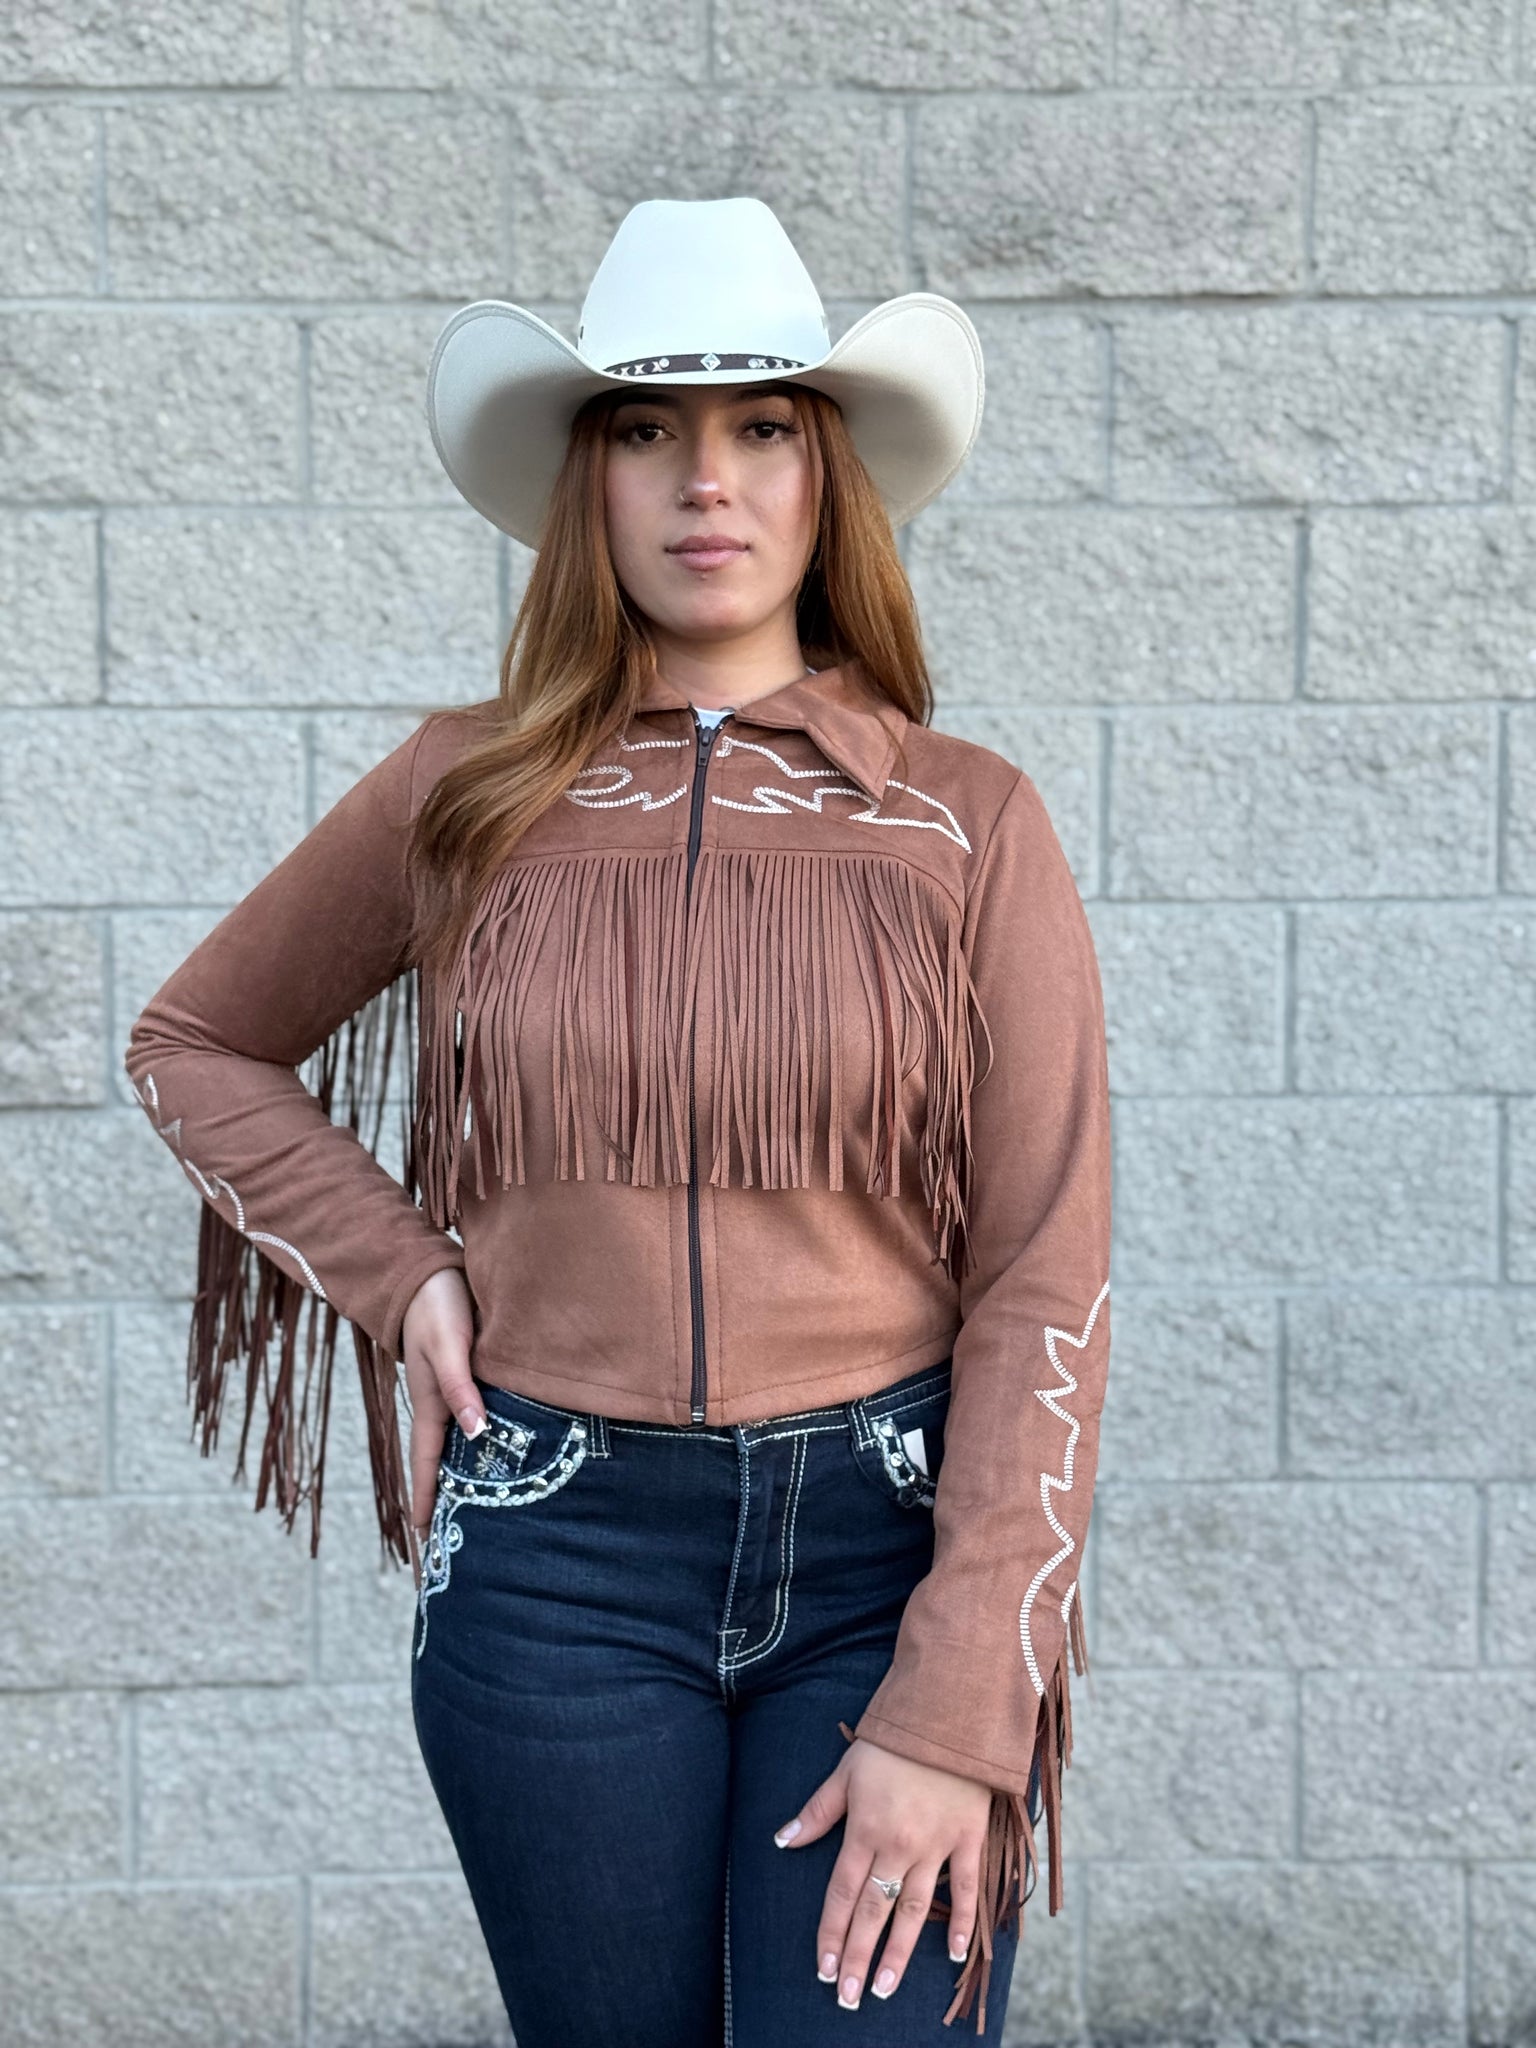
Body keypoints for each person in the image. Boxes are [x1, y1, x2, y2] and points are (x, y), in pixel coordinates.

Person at [124, 196, 1113, 2047]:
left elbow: (1045, 1280)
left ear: (828, 480)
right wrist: (402, 1270)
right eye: (647, 430)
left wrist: (965, 1693)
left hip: (885, 1555)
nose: (704, 481)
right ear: (589, 481)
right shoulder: (464, 790)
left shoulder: (967, 820)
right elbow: (198, 1043)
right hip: (555, 1562)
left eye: (762, 429)